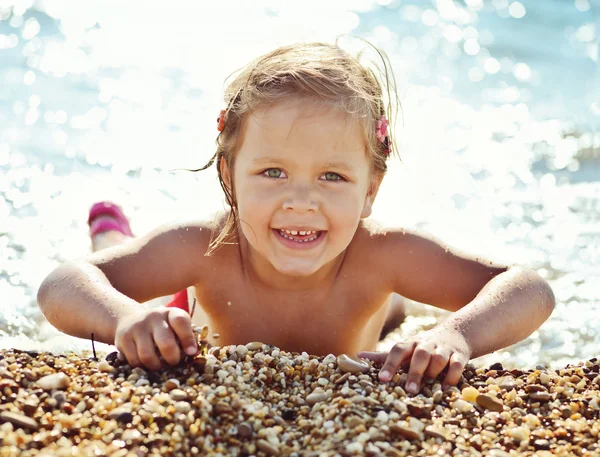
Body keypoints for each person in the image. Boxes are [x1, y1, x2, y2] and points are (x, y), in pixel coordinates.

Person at [37, 42, 555, 394]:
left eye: (332, 177)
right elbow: (63, 284)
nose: (301, 201)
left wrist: (456, 335)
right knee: (142, 300)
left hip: (369, 295)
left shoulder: (383, 252)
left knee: (398, 313)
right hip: (186, 310)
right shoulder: (208, 247)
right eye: (272, 172)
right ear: (227, 176)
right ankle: (112, 231)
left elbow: (528, 288)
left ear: (370, 190)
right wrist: (123, 318)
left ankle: (395, 305)